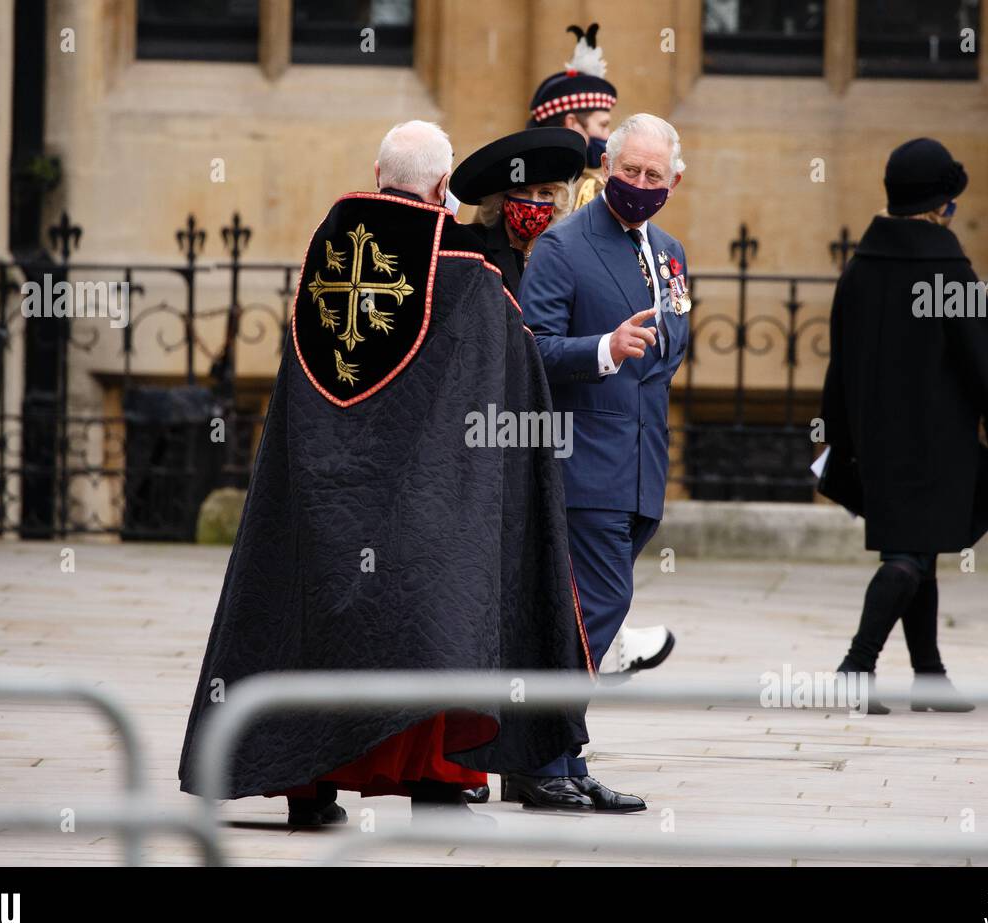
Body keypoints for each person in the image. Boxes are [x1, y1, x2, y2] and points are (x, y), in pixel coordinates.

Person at [177, 120, 593, 825]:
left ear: (377, 174)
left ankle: (308, 793)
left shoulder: (323, 260)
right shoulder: (468, 274)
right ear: (441, 187)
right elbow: (507, 385)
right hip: (423, 501)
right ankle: (434, 783)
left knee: (312, 620)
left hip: (319, 494)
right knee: (431, 617)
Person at [511, 113, 691, 812]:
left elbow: (672, 339)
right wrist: (604, 349)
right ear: (606, 169)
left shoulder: (670, 250)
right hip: (585, 463)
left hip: (643, 463)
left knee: (591, 611)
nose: (641, 185)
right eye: (629, 172)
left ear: (674, 178)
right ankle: (538, 757)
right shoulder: (563, 247)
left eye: (654, 176)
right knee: (597, 607)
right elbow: (532, 347)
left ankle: (562, 754)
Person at [819, 137, 988, 714]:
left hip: (875, 440)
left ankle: (930, 676)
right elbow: (987, 362)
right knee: (908, 558)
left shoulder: (858, 271)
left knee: (919, 548)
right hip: (938, 442)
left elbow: (838, 365)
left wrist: (837, 439)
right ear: (939, 207)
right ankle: (855, 668)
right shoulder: (947, 271)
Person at [450, 127, 586, 295]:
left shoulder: (566, 253)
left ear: (558, 202)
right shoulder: (473, 246)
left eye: (545, 193)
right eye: (522, 190)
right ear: (500, 198)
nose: (533, 202)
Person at [529, 23, 617, 210]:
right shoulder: (593, 193)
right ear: (572, 123)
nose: (608, 135)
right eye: (603, 125)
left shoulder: (512, 180)